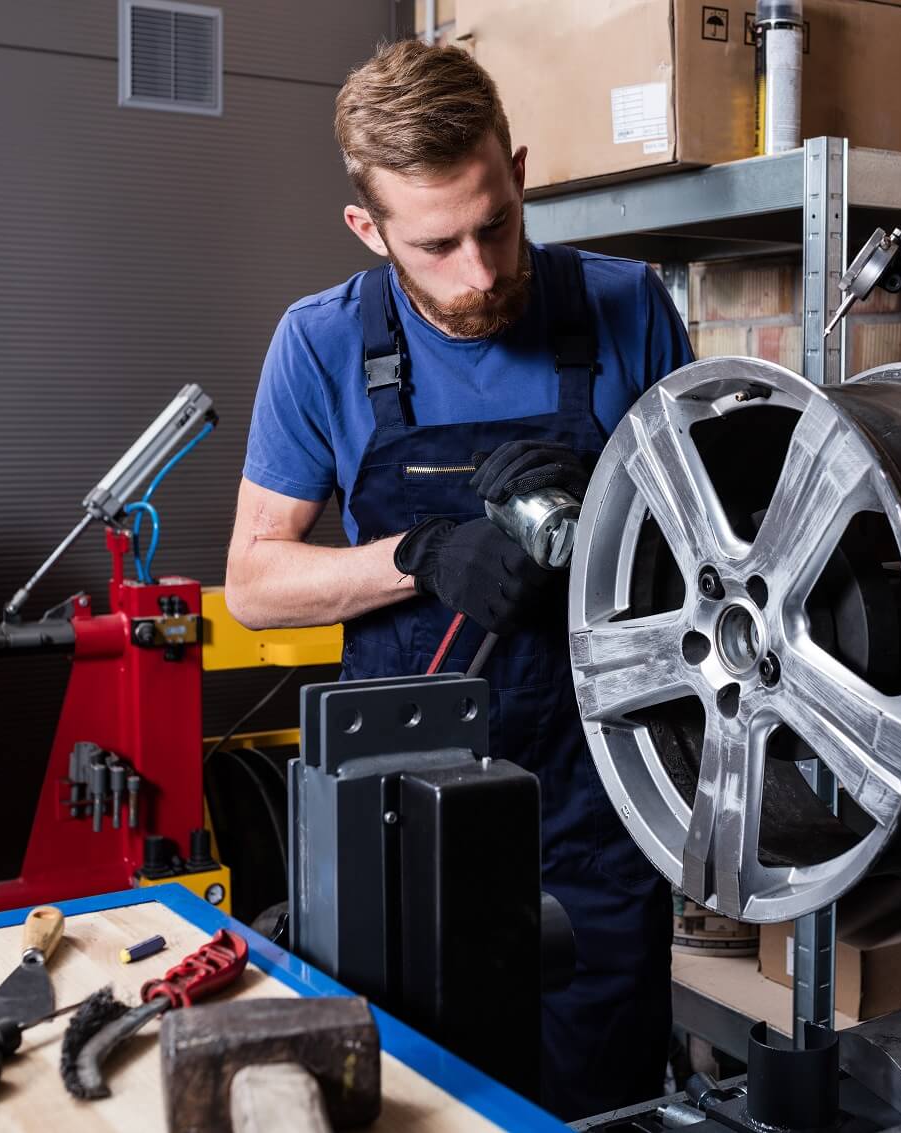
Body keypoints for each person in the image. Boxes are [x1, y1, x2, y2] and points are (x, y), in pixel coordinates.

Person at [225, 38, 693, 1119]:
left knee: (597, 1094)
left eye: (495, 225)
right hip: (394, 815)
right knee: (421, 1099)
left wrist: (604, 509)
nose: (478, 272)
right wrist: (419, 554)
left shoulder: (626, 308)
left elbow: (710, 546)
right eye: (435, 245)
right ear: (369, 228)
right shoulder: (322, 344)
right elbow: (252, 579)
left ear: (518, 172)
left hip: (600, 800)